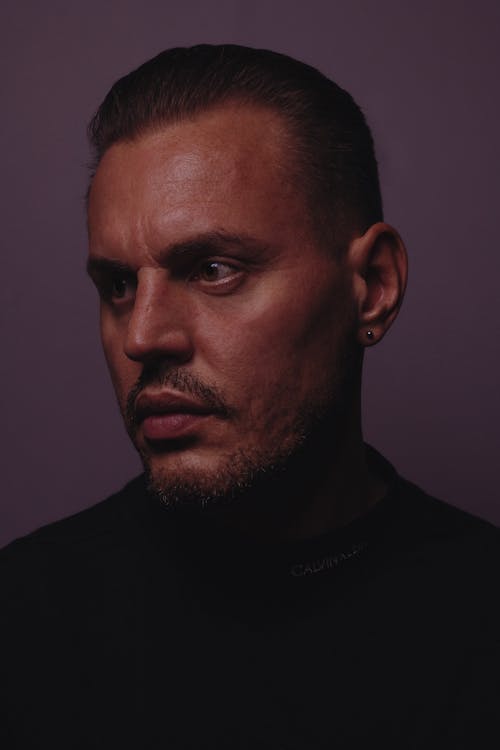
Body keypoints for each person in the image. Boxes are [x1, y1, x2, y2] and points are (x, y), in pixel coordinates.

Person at [1, 44, 499, 749]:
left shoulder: (482, 624)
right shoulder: (22, 621)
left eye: (213, 269)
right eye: (117, 285)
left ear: (374, 287)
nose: (142, 337)